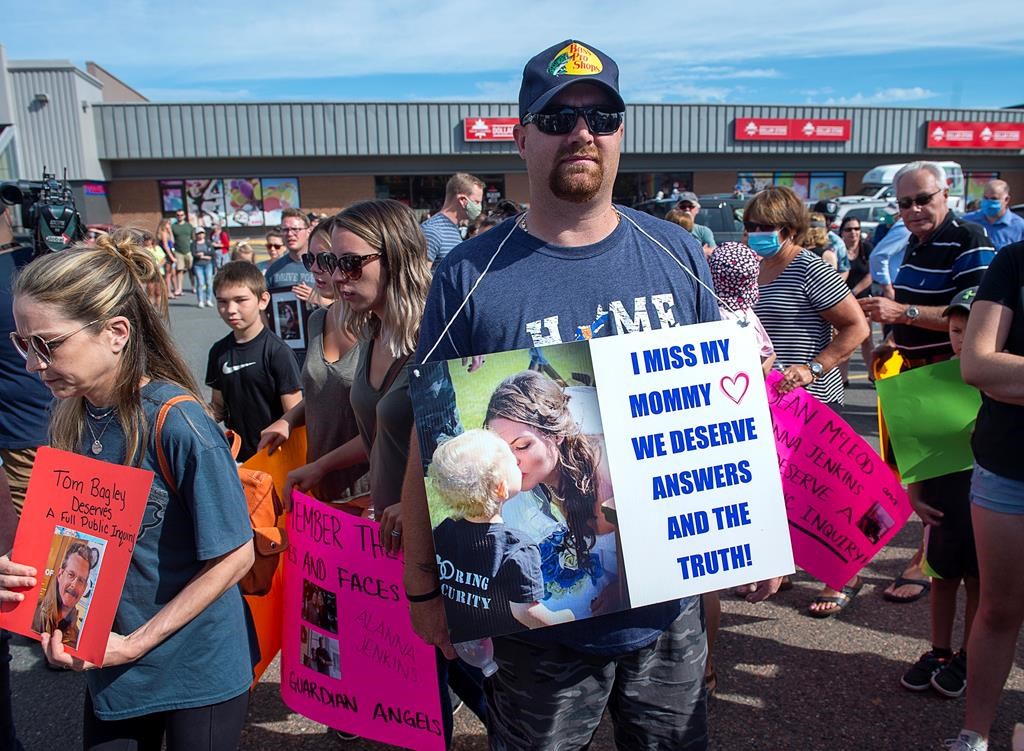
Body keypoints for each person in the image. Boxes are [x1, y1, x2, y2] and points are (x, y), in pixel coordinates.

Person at [403, 39, 751, 751]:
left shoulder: (676, 249)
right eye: (557, 116)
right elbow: (429, 435)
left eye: (602, 115)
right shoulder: (471, 268)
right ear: (521, 135)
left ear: (622, 133)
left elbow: (724, 405)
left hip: (667, 609)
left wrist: (752, 531)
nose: (582, 131)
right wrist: (423, 583)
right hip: (538, 629)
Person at [4, 229, 255, 750]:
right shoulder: (69, 419)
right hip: (110, 667)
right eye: (21, 344)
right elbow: (75, 544)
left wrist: (134, 643)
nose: (32, 364)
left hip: (195, 670)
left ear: (116, 332)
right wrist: (44, 606)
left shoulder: (178, 422)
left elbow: (236, 556)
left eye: (46, 345)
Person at [860, 162, 995, 613]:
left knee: (946, 494)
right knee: (923, 488)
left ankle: (930, 565)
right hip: (918, 378)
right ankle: (931, 562)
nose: (914, 210)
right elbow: (922, 308)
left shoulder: (968, 239)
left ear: (946, 194)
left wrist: (903, 317)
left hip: (949, 384)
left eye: (923, 199)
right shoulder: (918, 243)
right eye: (904, 203)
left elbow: (972, 319)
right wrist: (896, 340)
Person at [747, 185, 869, 617]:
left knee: (823, 494)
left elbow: (856, 328)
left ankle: (846, 575)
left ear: (791, 228)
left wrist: (814, 367)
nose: (757, 233)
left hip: (810, 399)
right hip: (768, 402)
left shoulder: (810, 269)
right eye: (751, 226)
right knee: (779, 493)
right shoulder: (753, 270)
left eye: (767, 227)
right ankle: (781, 569)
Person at [952, 239, 1024, 751]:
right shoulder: (1014, 260)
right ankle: (973, 732)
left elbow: (1000, 372)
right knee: (998, 609)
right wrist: (997, 374)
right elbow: (977, 366)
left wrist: (1012, 376)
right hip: (1008, 466)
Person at [484, 371, 622, 621]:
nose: (510, 461)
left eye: (522, 446)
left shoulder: (606, 475)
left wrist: (624, 587)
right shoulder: (517, 480)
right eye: (501, 450)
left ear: (557, 434)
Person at [899, 287, 979, 700]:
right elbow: (921, 440)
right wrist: (914, 493)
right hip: (944, 499)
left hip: (986, 499)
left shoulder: (1000, 376)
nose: (962, 338)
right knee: (942, 578)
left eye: (971, 329)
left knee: (980, 583)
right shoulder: (935, 376)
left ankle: (971, 653)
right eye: (955, 329)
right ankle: (939, 651)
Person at [259, 216, 368, 509]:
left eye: (325, 259)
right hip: (320, 490)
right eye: (310, 258)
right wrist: (288, 419)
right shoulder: (318, 319)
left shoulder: (376, 326)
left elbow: (382, 427)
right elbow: (325, 392)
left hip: (368, 495)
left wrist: (322, 466)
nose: (314, 269)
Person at [429, 428, 575, 640]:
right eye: (514, 464)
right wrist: (563, 619)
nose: (519, 463)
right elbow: (526, 612)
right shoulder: (517, 549)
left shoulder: (444, 531)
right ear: (500, 489)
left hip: (472, 643)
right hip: (517, 654)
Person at [206, 261, 302, 462]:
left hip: (275, 457)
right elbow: (218, 408)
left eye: (240, 300)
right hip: (236, 458)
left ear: (263, 300)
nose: (230, 309)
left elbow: (295, 414)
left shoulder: (278, 352)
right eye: (222, 301)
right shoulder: (218, 351)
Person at [0, 206, 51, 515]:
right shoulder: (53, 262)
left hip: (25, 432)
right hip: (96, 420)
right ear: (8, 212)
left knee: (39, 539)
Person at [264, 209, 317, 365]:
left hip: (321, 344)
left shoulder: (323, 264)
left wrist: (317, 298)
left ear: (308, 231)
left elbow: (343, 302)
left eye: (295, 229)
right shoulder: (274, 269)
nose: (289, 234)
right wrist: (271, 338)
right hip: (287, 348)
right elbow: (261, 307)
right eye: (285, 229)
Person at [30, 541, 98, 649]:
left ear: (84, 587)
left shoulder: (76, 639)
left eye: (80, 580)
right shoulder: (31, 613)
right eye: (71, 575)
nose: (74, 585)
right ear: (60, 574)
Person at [838, 214, 875, 385]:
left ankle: (873, 374)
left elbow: (872, 274)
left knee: (867, 338)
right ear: (842, 232)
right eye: (849, 229)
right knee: (845, 339)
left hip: (862, 299)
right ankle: (842, 378)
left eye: (857, 229)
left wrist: (854, 291)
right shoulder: (837, 249)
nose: (853, 233)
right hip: (841, 302)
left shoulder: (867, 249)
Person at [422, 173, 485, 269]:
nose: (479, 207)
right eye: (476, 202)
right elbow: (420, 278)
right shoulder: (432, 231)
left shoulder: (453, 229)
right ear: (463, 200)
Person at [961, 179, 1024, 251]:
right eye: (985, 198)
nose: (988, 202)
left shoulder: (1019, 227)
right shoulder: (967, 221)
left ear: (1006, 199)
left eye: (994, 198)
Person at [169, 209, 193, 298]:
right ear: (176, 216)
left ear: (184, 216)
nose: (180, 216)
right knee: (180, 270)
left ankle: (193, 286)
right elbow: (171, 239)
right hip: (178, 251)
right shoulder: (173, 226)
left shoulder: (189, 226)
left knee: (191, 269)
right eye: (178, 215)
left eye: (181, 215)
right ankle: (179, 288)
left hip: (188, 250)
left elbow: (193, 237)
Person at [190, 227, 215, 308]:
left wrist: (203, 255)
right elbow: (194, 253)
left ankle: (209, 299)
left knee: (209, 282)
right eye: (198, 234)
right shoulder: (193, 243)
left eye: (202, 233)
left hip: (208, 265)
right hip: (198, 265)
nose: (200, 235)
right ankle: (200, 301)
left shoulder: (208, 242)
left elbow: (212, 253)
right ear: (196, 235)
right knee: (200, 283)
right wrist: (200, 255)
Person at [156, 218, 176, 296]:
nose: (169, 225)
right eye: (168, 224)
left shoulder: (167, 232)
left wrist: (170, 231)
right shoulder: (163, 233)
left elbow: (173, 241)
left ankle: (169, 290)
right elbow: (165, 246)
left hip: (171, 252)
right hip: (167, 254)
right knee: (168, 274)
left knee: (170, 273)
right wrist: (171, 257)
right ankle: (168, 292)